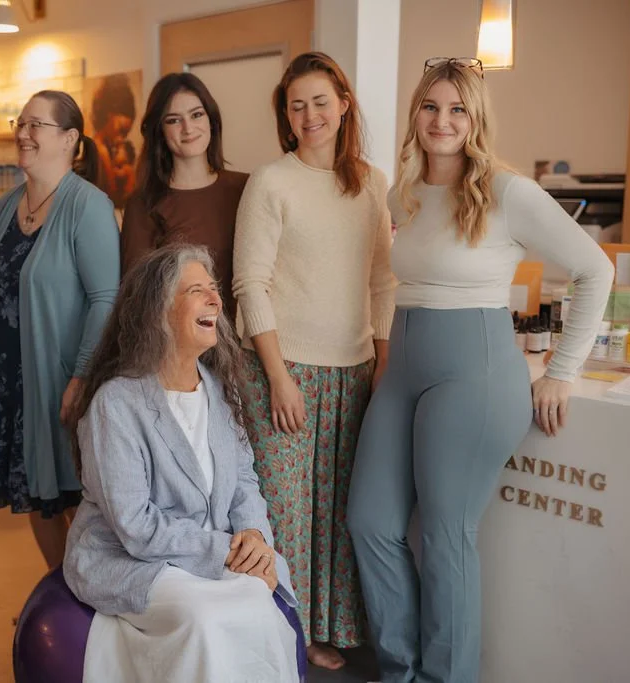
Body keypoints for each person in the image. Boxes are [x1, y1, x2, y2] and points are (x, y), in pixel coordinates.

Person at [346, 57, 614, 683]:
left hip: (475, 373)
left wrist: (562, 368)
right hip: (406, 368)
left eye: (458, 108)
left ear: (476, 118)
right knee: (369, 521)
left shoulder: (505, 190)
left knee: (445, 537)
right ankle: (400, 670)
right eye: (431, 106)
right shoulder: (401, 193)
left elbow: (595, 268)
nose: (443, 120)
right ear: (416, 111)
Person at [63, 243, 299, 683]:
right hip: (129, 560)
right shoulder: (116, 403)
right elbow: (134, 524)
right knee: (207, 616)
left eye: (214, 289)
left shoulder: (219, 391)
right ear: (159, 312)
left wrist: (253, 537)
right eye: (197, 290)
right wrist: (227, 552)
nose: (216, 299)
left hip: (209, 554)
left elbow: (245, 482)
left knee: (255, 600)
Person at [231, 51, 396, 670]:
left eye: (320, 101)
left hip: (354, 370)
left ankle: (327, 634)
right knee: (286, 515)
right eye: (296, 105)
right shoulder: (271, 182)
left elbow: (384, 282)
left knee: (337, 514)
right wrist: (277, 376)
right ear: (286, 116)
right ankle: (284, 638)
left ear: (344, 104)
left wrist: (382, 365)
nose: (310, 115)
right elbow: (250, 284)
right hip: (284, 370)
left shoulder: (372, 183)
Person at [0, 90, 120, 569]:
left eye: (35, 125)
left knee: (73, 502)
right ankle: (61, 600)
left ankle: (87, 612)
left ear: (70, 140)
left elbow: (106, 299)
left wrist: (81, 376)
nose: (22, 133)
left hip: (61, 381)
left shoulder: (88, 206)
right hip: (12, 381)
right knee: (36, 497)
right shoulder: (6, 206)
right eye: (20, 123)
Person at [121, 72, 248, 320]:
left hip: (238, 345)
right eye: (173, 120)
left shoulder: (245, 188)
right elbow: (136, 296)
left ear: (211, 119)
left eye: (196, 114)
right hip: (172, 347)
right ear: (160, 131)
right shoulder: (143, 203)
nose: (188, 128)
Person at [89, 73, 138, 207]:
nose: (121, 139)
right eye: (121, 130)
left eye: (125, 134)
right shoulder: (100, 150)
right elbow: (113, 195)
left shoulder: (112, 148)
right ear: (108, 115)